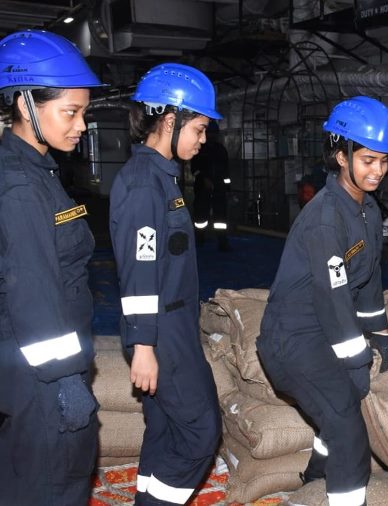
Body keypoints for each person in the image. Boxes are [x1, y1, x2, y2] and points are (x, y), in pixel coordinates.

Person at [257, 96, 388, 506]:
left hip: (326, 332)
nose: (378, 171)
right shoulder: (325, 219)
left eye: (384, 161)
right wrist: (357, 360)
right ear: (341, 156)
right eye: (368, 160)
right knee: (348, 430)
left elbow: (369, 279)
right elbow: (333, 298)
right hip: (294, 341)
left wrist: (380, 333)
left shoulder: (367, 210)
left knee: (339, 408)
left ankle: (315, 481)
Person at [0, 29, 105, 506]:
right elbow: (33, 291)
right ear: (26, 105)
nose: (81, 125)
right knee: (53, 483)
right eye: (70, 112)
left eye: (84, 112)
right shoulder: (20, 186)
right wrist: (63, 380)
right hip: (40, 377)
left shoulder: (39, 170)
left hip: (38, 370)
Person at [109, 63, 222, 505]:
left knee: (164, 426)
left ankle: (148, 498)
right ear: (170, 121)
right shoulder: (144, 185)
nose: (203, 139)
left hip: (174, 325)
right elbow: (138, 270)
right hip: (160, 331)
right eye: (200, 128)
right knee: (200, 430)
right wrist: (143, 346)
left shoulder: (163, 177)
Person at [191, 120, 231, 251]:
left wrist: (227, 188)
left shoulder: (221, 150)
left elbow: (226, 171)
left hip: (219, 189)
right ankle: (199, 239)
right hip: (202, 189)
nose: (212, 136)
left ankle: (222, 242)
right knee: (201, 216)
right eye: (210, 133)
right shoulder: (199, 149)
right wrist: (203, 179)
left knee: (220, 217)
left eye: (214, 133)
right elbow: (194, 169)